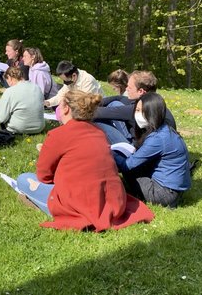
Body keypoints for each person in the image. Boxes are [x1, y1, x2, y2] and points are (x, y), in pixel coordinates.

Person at [16, 90, 155, 231]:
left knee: (23, 179)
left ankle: (49, 207)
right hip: (113, 201)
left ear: (66, 108)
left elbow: (43, 176)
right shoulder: (99, 132)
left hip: (80, 203)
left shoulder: (58, 134)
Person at [113, 93, 191, 208]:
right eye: (136, 110)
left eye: (140, 111)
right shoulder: (165, 130)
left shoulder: (157, 138)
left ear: (151, 113)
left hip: (164, 193)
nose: (136, 114)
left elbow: (127, 165)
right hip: (174, 190)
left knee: (128, 171)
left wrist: (112, 153)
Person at [92, 70, 177, 145]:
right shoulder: (155, 103)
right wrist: (93, 101)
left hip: (138, 151)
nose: (127, 89)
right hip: (147, 143)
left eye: (129, 87)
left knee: (98, 120)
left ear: (140, 91)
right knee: (115, 103)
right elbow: (120, 98)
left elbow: (97, 113)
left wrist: (82, 107)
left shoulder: (139, 109)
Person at [0, 67, 45, 135]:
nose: (8, 84)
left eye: (7, 80)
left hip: (18, 129)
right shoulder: (37, 87)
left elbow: (1, 119)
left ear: (9, 77)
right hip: (39, 128)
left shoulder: (9, 91)